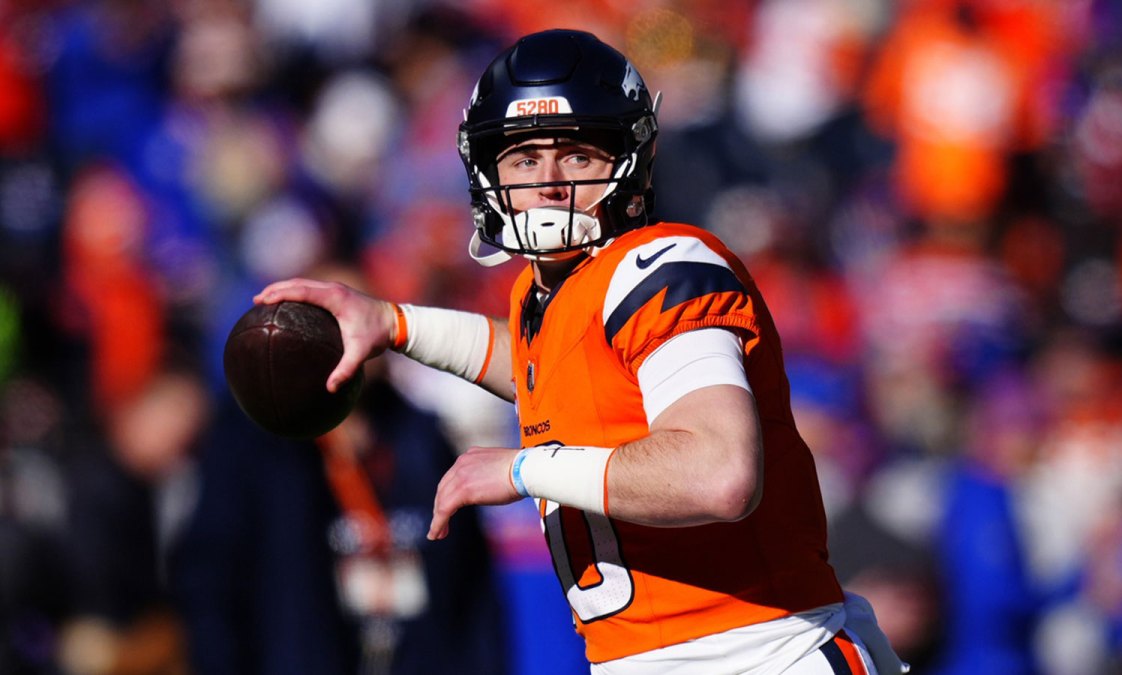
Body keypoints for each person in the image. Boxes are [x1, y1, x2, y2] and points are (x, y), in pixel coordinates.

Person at [256, 29, 905, 674]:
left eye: (577, 155)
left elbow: (717, 472)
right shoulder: (550, 295)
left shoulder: (664, 265)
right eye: (524, 158)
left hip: (763, 652)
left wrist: (522, 470)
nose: (548, 182)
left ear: (630, 161)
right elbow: (555, 373)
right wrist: (393, 322)